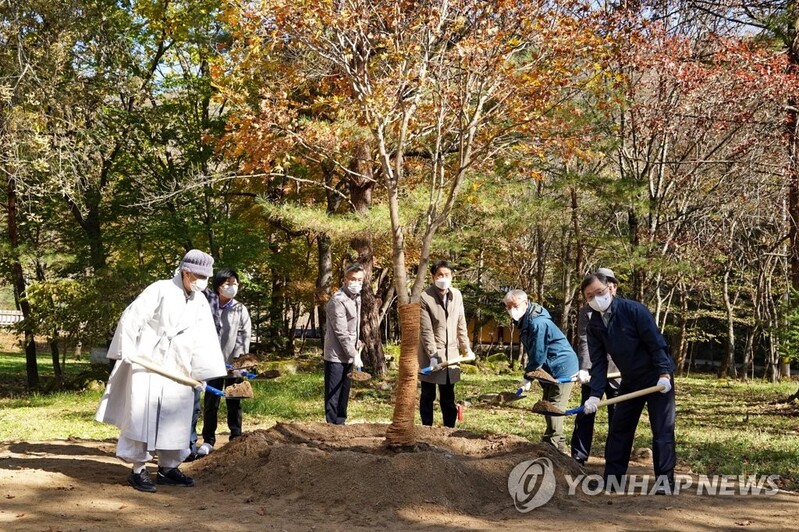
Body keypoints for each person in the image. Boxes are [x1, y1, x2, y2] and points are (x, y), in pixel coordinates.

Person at [95, 249, 226, 493]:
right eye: (199, 275)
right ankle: (138, 470)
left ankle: (168, 468)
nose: (203, 281)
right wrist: (129, 351)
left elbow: (205, 336)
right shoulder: (160, 289)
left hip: (180, 366)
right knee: (142, 417)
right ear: (186, 272)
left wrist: (200, 371)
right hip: (149, 363)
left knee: (176, 418)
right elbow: (132, 317)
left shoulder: (199, 300)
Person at [580, 271, 676, 494]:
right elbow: (599, 362)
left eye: (599, 292)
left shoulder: (634, 310)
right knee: (619, 429)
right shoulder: (593, 323)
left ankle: (665, 482)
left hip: (656, 378)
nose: (595, 298)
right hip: (630, 379)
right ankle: (613, 480)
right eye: (589, 296)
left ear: (611, 288)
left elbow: (656, 343)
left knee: (662, 430)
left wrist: (664, 373)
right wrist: (595, 394)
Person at [507, 290, 578, 453]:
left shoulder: (538, 323)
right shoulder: (525, 321)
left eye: (515, 305)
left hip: (562, 367)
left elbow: (538, 353)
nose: (512, 309)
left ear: (525, 303)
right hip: (548, 368)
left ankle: (554, 446)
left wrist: (528, 376)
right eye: (508, 306)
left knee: (553, 406)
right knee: (547, 404)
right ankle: (554, 442)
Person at [195, 268, 252, 457]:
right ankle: (208, 439)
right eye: (228, 283)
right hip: (211, 363)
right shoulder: (208, 307)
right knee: (211, 402)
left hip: (233, 364)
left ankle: (235, 436)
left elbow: (244, 336)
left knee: (234, 400)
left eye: (235, 283)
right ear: (218, 286)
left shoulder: (240, 309)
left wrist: (237, 362)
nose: (232, 286)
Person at [570, 267, 622, 465]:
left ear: (613, 287)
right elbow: (583, 339)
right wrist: (584, 367)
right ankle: (579, 456)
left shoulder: (624, 309)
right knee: (586, 412)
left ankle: (614, 460)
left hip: (618, 371)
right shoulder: (587, 312)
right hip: (594, 371)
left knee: (617, 417)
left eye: (606, 287)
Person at [418, 260, 473, 428]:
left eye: (447, 275)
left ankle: (449, 430)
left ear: (452, 276)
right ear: (433, 276)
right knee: (428, 395)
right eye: (440, 275)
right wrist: (433, 356)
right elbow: (426, 331)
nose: (444, 278)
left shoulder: (456, 295)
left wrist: (466, 349)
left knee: (448, 396)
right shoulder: (425, 297)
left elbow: (461, 324)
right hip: (430, 356)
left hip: (451, 355)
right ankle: (427, 428)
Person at [323, 263, 365, 424]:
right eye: (353, 279)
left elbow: (351, 326)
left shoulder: (356, 298)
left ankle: (341, 424)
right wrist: (354, 354)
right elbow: (340, 331)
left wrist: (357, 342)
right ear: (344, 280)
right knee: (334, 393)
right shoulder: (338, 300)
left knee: (344, 392)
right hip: (335, 355)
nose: (357, 283)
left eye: (360, 280)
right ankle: (332, 426)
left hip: (349, 353)